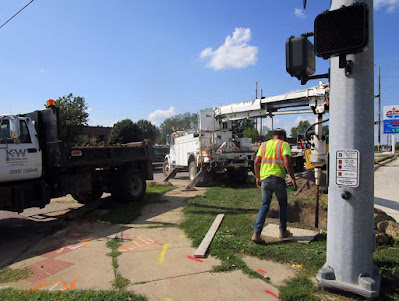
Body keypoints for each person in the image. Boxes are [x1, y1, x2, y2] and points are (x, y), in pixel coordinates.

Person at [252, 128, 298, 243]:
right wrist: (292, 178)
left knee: (264, 205)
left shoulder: (264, 145)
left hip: (265, 179)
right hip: (278, 179)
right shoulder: (284, 145)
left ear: (274, 136)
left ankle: (256, 233)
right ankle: (282, 231)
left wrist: (258, 177)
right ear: (282, 136)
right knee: (283, 205)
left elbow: (256, 162)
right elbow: (286, 162)